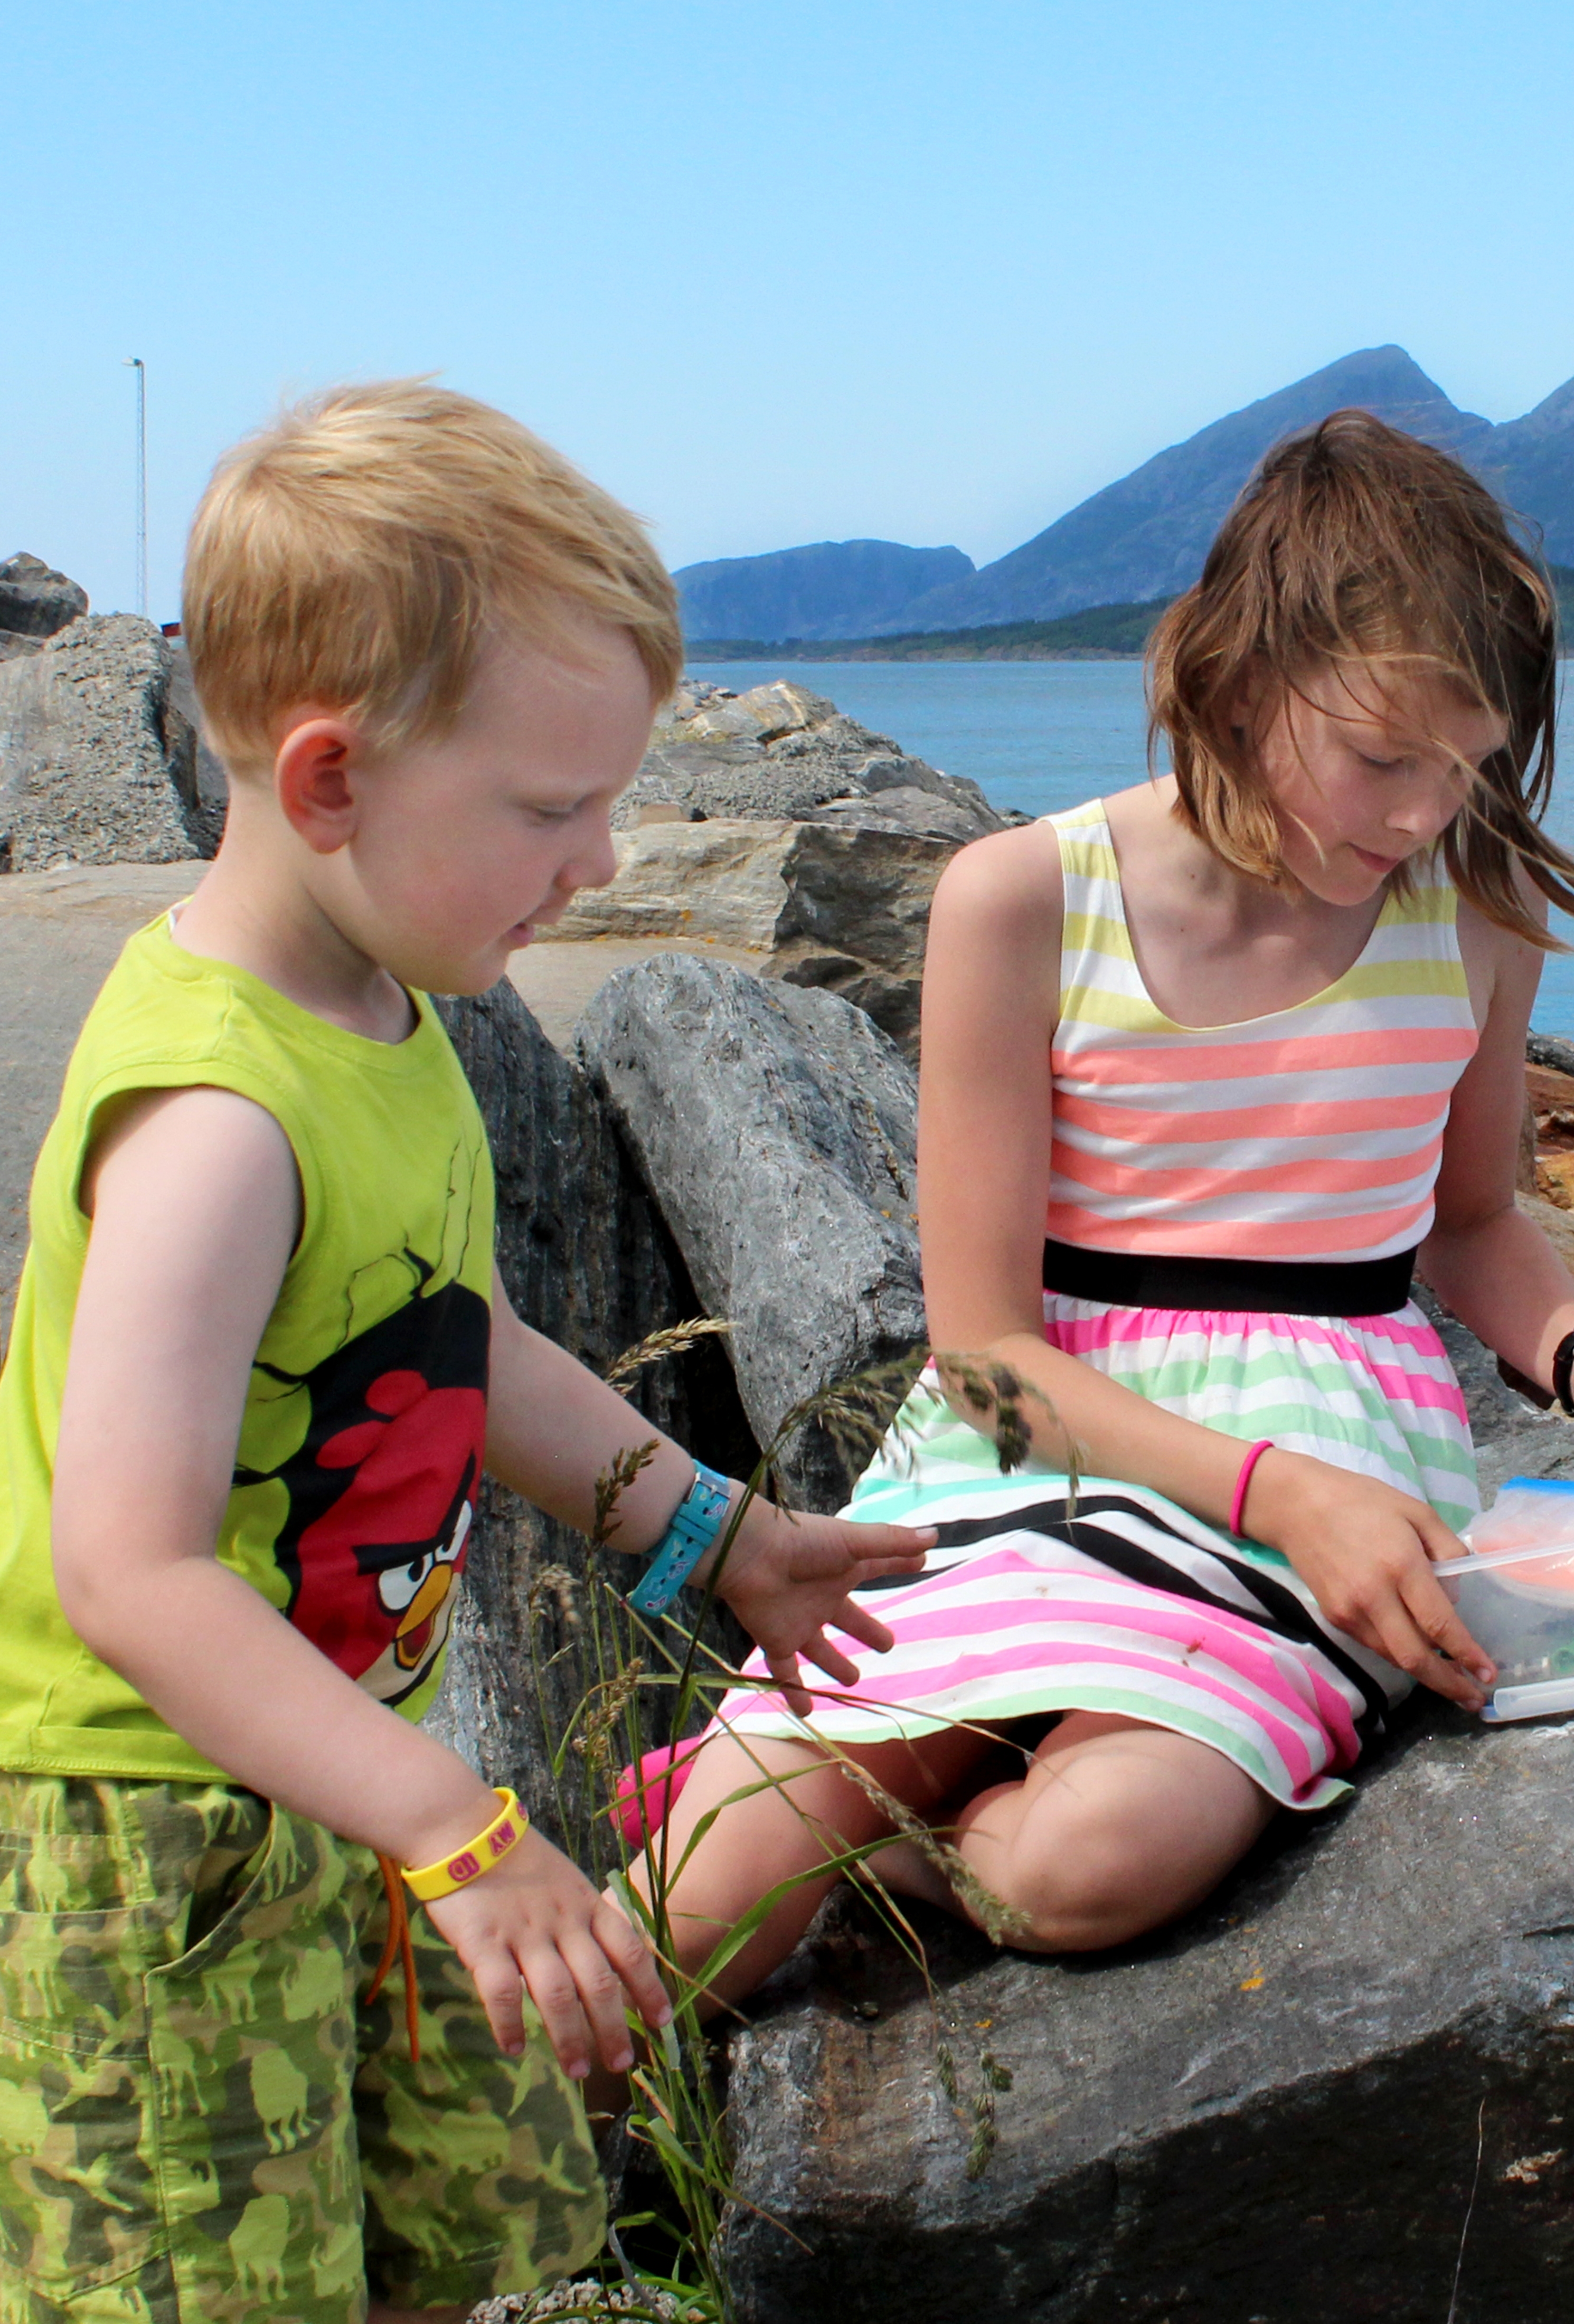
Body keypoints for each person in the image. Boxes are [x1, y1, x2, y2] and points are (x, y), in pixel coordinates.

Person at [0, 381, 932, 2324]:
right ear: (329, 780)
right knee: (218, 2273)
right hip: (165, 1850)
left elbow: (458, 1344)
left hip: (367, 1775)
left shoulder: (387, 1016)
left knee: (470, 2232)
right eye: (545, 806)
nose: (599, 860)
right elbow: (131, 1570)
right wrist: (465, 1832)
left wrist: (713, 1535)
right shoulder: (214, 1118)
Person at [629, 409, 1574, 2005]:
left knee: (1083, 1869)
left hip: (1339, 1445)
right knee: (689, 1911)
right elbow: (986, 1360)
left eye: (1468, 768)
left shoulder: (1476, 919)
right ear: (1237, 671)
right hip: (1031, 1442)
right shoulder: (1024, 898)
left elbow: (1475, 1219)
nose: (1427, 815)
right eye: (1383, 759)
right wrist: (1271, 1492)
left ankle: (902, 1850)